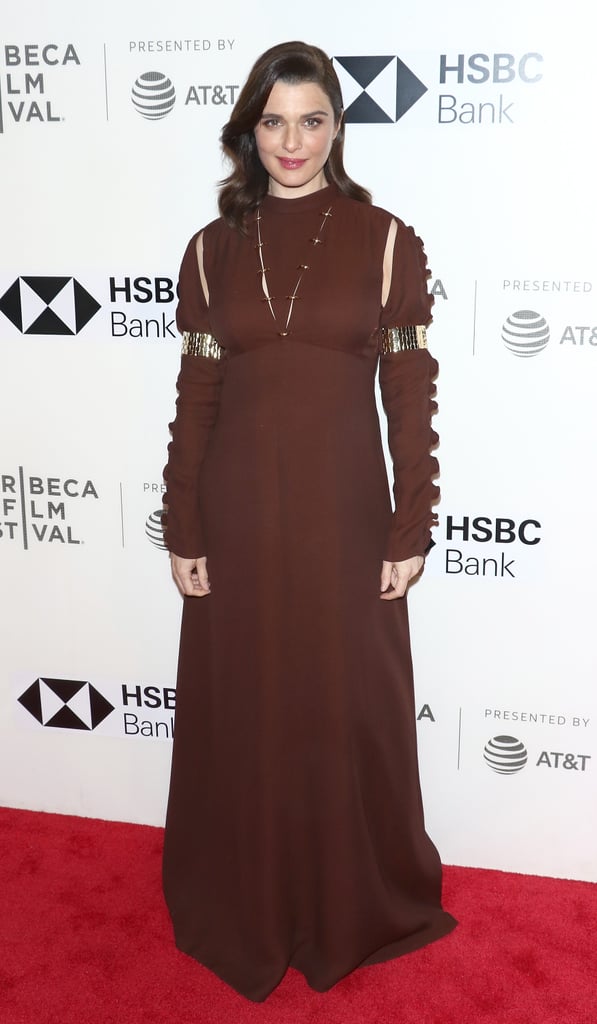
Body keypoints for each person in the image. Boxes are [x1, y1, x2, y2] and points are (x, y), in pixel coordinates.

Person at [162, 40, 456, 1002]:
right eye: (274, 121)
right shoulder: (209, 250)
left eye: (313, 120)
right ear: (249, 129)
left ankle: (346, 899)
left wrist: (411, 522)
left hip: (343, 520)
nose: (293, 142)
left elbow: (409, 394)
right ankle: (242, 896)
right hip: (235, 519)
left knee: (343, 711)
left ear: (338, 126)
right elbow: (196, 397)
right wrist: (182, 524)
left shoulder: (383, 240)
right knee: (244, 709)